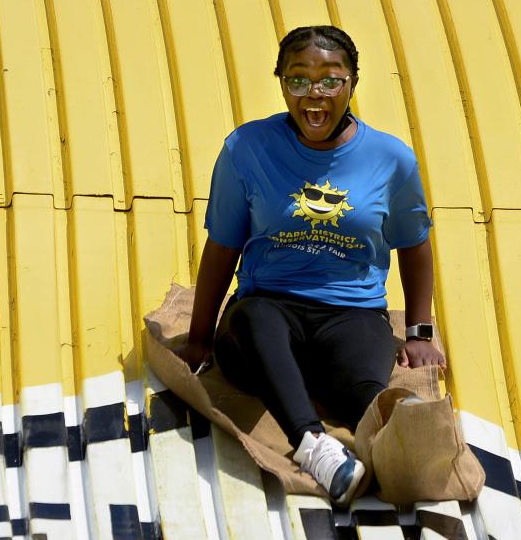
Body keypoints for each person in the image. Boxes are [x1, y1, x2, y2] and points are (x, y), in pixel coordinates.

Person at [180, 26, 446, 505]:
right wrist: (199, 338)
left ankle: (412, 440)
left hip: (353, 312)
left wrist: (420, 330)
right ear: (281, 83)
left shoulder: (390, 158)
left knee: (359, 392)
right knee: (256, 324)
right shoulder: (247, 149)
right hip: (267, 309)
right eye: (298, 80)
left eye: (330, 80)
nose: (313, 94)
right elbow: (222, 246)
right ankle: (314, 449)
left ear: (352, 83)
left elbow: (415, 244)